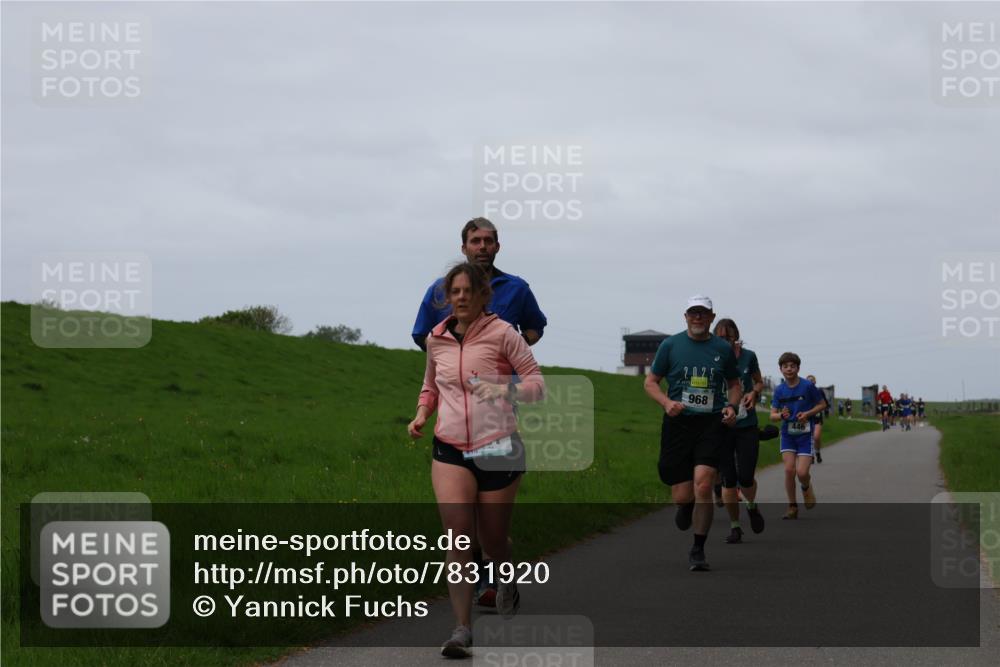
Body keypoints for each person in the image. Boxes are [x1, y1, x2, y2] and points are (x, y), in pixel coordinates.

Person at [407, 262, 545, 657]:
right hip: (450, 447)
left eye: (469, 291)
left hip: (498, 445)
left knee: (492, 540)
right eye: (455, 292)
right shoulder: (436, 339)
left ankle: (505, 571)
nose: (462, 297)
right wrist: (421, 413)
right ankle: (462, 629)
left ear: (484, 295)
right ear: (447, 298)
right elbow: (430, 385)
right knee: (459, 537)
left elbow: (537, 385)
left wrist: (503, 389)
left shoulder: (504, 335)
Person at [644, 295, 742, 571]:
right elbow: (650, 382)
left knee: (704, 484)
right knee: (681, 494)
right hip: (678, 423)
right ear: (685, 316)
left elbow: (734, 384)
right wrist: (666, 403)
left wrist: (732, 407)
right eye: (693, 312)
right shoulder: (670, 345)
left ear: (712, 317)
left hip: (711, 423)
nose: (697, 317)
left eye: (703, 313)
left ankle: (698, 548)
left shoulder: (722, 349)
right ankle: (685, 506)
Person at [412, 218, 547, 350]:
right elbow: (421, 334)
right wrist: (449, 353)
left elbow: (535, 327)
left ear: (497, 247)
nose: (482, 246)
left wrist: (517, 345)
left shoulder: (517, 288)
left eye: (488, 241)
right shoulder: (441, 288)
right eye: (475, 241)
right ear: (464, 248)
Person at [713, 319, 766, 544]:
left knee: (745, 477)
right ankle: (735, 526)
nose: (724, 341)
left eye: (728, 337)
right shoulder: (711, 357)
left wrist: (754, 393)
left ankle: (751, 506)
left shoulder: (748, 356)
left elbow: (759, 382)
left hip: (746, 425)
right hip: (722, 426)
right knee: (728, 480)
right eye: (720, 337)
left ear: (736, 336)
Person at [770, 353, 827, 519]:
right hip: (788, 434)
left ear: (798, 368)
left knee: (802, 473)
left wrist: (807, 414)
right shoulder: (779, 390)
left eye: (792, 366)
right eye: (785, 366)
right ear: (780, 369)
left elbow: (822, 404)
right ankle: (792, 506)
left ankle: (806, 486)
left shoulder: (808, 386)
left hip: (805, 435)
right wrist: (781, 415)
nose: (789, 369)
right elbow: (772, 415)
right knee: (789, 470)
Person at [806, 375, 824, 464]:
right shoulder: (803, 392)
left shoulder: (819, 391)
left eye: (812, 380)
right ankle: (811, 455)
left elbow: (824, 404)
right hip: (807, 418)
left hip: (817, 417)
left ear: (815, 382)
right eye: (808, 380)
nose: (810, 381)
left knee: (816, 437)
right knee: (809, 438)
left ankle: (817, 452)